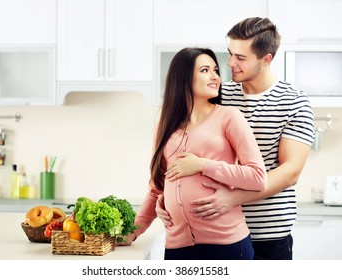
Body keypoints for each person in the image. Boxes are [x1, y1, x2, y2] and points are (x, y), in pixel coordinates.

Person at [155, 17, 315, 260]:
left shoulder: (294, 101)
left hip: (268, 232)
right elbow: (179, 148)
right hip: (215, 231)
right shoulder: (219, 92)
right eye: (230, 54)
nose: (230, 63)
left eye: (241, 58)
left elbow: (290, 171)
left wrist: (232, 198)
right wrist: (166, 199)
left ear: (266, 59)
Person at [125, 47, 267, 260]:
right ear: (183, 78)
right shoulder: (165, 126)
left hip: (226, 244)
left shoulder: (229, 117)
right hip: (177, 246)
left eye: (216, 70)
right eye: (205, 70)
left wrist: (203, 165)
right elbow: (156, 188)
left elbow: (258, 177)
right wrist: (133, 231)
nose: (215, 77)